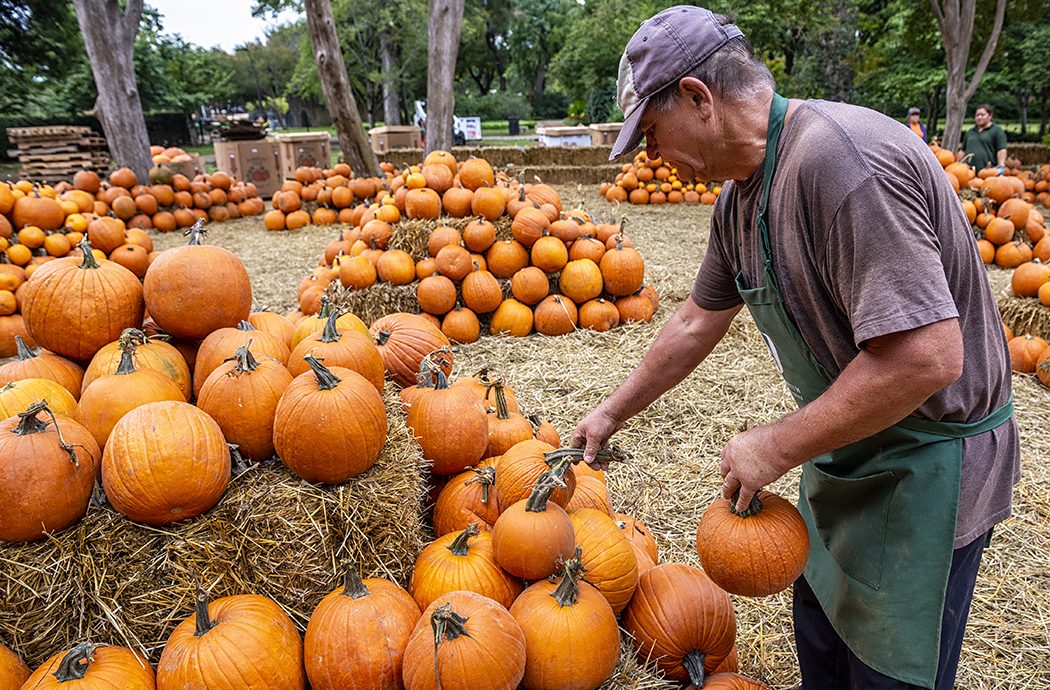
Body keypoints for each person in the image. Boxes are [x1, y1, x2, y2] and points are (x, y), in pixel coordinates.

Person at [572, 6, 1019, 690]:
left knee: (887, 672)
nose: (651, 156)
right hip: (845, 453)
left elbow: (927, 358)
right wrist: (610, 413)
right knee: (823, 636)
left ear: (699, 99)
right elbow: (696, 321)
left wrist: (777, 446)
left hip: (925, 465)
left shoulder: (842, 163)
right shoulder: (740, 198)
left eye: (653, 133)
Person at [960, 104, 1007, 173]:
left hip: (988, 171)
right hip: (969, 172)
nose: (979, 117)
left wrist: (1001, 166)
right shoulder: (970, 132)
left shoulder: (997, 131)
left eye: (982, 115)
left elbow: (1001, 150)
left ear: (990, 116)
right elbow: (963, 151)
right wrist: (956, 163)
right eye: (977, 115)